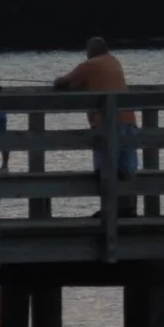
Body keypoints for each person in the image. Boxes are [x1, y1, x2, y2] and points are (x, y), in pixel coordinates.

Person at [55, 37, 140, 214]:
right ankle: (130, 209)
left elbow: (64, 81)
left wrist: (58, 82)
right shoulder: (114, 62)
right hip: (128, 119)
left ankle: (109, 209)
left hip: (107, 123)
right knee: (127, 168)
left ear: (90, 51)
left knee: (105, 168)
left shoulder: (90, 65)